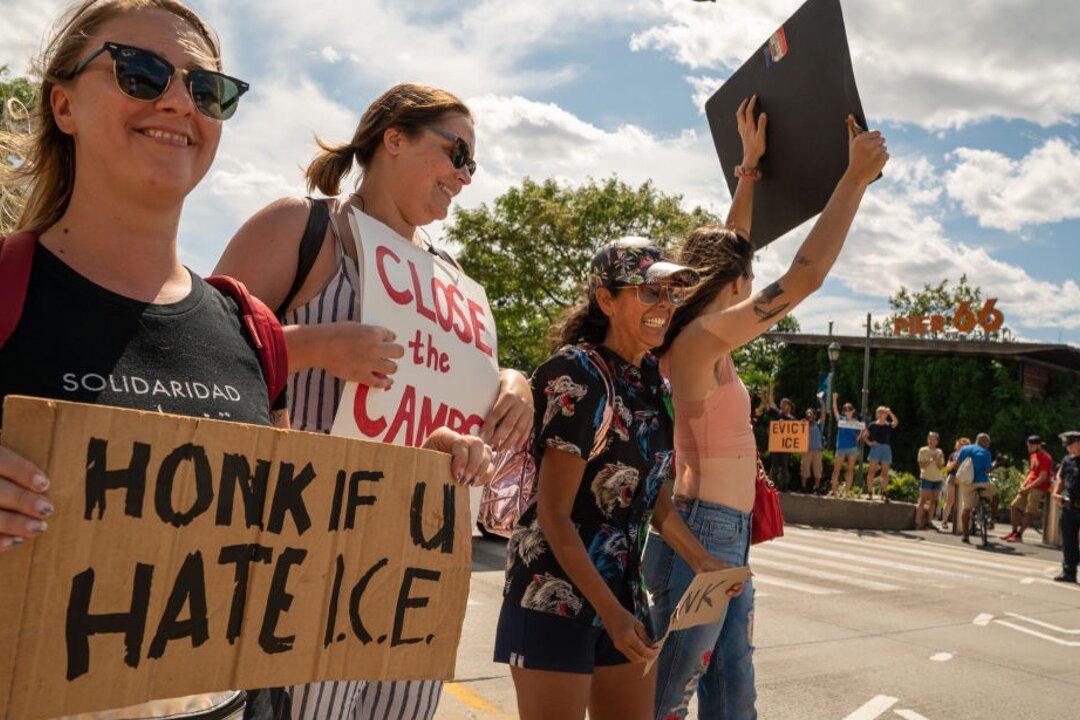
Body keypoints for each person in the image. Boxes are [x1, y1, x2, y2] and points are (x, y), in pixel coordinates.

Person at [215, 84, 524, 720]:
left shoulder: (452, 280)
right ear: (393, 138)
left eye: (474, 165)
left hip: (414, 566)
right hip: (300, 554)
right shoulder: (301, 227)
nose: (464, 177)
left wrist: (511, 381)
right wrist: (309, 346)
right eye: (456, 153)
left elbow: (456, 383)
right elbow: (200, 352)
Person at [645, 97, 889, 720]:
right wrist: (853, 179)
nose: (753, 284)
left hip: (717, 528)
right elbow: (805, 275)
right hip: (707, 532)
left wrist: (749, 169)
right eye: (746, 277)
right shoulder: (699, 342)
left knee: (733, 687)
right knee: (668, 693)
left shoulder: (696, 331)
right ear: (732, 285)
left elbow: (732, 248)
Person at [494, 238, 736, 720]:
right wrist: (611, 614)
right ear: (606, 300)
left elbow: (653, 497)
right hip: (552, 594)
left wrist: (704, 561)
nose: (665, 305)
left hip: (620, 597)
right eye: (650, 292)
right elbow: (554, 516)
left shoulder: (653, 382)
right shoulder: (576, 373)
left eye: (672, 293)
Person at [1003, 435, 1054, 543]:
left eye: (1031, 446)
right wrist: (1023, 485)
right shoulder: (1033, 456)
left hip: (1039, 487)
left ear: (1039, 445)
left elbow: (1042, 477)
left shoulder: (1046, 457)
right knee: (1014, 506)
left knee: (1029, 511)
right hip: (1029, 485)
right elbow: (1031, 472)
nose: (1029, 448)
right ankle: (1013, 532)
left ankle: (1019, 534)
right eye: (1028, 446)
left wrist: (1028, 488)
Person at [954, 433, 996, 543]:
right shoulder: (986, 452)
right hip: (982, 482)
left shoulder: (965, 449)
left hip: (967, 484)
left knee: (966, 508)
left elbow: (957, 465)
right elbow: (988, 470)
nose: (989, 444)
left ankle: (965, 535)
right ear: (983, 441)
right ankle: (992, 519)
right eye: (988, 442)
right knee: (996, 495)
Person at [1050, 431, 1080, 583]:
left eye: (1069, 444)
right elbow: (1060, 478)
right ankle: (1069, 572)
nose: (1067, 448)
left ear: (1077, 443)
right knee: (1068, 541)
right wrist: (1056, 494)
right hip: (1069, 506)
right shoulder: (1067, 460)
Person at [861, 406, 898, 501]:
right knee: (871, 471)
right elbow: (864, 435)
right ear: (877, 414)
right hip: (875, 448)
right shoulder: (872, 425)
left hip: (886, 448)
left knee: (885, 473)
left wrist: (890, 413)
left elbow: (896, 422)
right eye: (880, 412)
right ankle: (869, 493)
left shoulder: (888, 425)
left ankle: (884, 493)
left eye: (883, 412)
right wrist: (869, 443)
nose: (882, 414)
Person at [829, 394, 863, 497]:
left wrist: (860, 436)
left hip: (852, 448)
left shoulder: (856, 422)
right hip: (841, 447)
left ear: (853, 411)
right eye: (846, 410)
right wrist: (834, 399)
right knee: (836, 470)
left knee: (850, 470)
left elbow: (861, 433)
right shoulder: (841, 420)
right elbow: (835, 409)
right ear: (844, 411)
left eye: (850, 409)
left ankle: (846, 493)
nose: (848, 411)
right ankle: (834, 492)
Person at [765, 393, 796, 491]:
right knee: (774, 466)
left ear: (789, 406)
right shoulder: (777, 414)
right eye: (781, 404)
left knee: (784, 467)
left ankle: (784, 487)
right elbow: (770, 405)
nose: (782, 405)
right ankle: (771, 486)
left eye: (784, 404)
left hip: (786, 448)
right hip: (776, 446)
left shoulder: (792, 419)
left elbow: (795, 432)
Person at [916, 432, 946, 529]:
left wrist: (937, 460)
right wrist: (930, 460)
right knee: (922, 501)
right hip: (926, 478)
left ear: (937, 441)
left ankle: (929, 522)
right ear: (927, 439)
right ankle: (916, 522)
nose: (932, 441)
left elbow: (941, 467)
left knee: (933, 501)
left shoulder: (939, 451)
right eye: (930, 439)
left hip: (937, 479)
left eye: (934, 439)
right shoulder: (923, 450)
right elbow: (921, 465)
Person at [940, 436, 970, 532]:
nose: (962, 447)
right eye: (961, 444)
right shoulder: (953, 455)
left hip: (965, 479)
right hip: (953, 477)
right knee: (950, 500)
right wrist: (955, 462)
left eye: (965, 445)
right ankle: (944, 521)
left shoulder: (970, 456)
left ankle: (964, 524)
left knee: (965, 502)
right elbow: (948, 467)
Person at [800, 404, 826, 493]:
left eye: (811, 413)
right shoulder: (802, 425)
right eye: (807, 414)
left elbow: (823, 413)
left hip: (817, 451)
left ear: (814, 415)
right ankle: (803, 487)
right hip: (806, 451)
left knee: (817, 470)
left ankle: (817, 488)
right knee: (804, 469)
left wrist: (821, 401)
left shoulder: (819, 424)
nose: (809, 415)